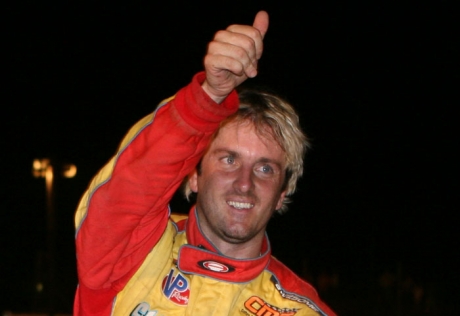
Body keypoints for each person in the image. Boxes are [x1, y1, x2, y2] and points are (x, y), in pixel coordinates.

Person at [73, 10, 337, 316]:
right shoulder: (132, 252)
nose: (244, 183)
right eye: (228, 160)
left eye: (265, 169)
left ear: (282, 194)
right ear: (194, 175)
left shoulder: (302, 311)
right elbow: (129, 186)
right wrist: (208, 97)